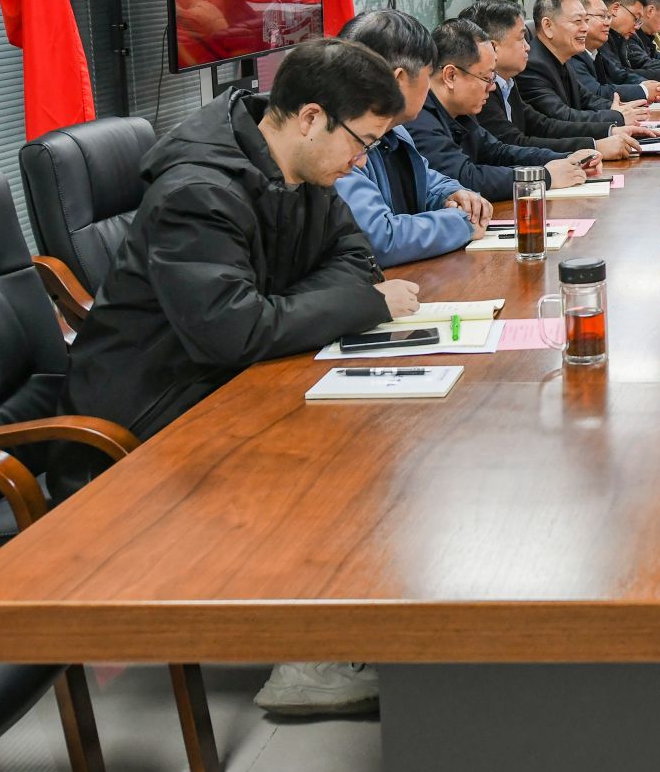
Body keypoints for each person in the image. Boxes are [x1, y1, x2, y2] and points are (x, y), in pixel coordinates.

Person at [62, 38, 420, 719]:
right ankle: (305, 657)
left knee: (378, 418)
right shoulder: (198, 191)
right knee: (332, 445)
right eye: (363, 142)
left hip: (221, 374)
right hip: (149, 403)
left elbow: (355, 258)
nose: (362, 162)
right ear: (311, 118)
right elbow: (233, 329)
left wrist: (291, 307)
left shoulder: (303, 171)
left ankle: (350, 614)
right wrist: (350, 305)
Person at [334, 9, 490, 266]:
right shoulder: (340, 140)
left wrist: (453, 194)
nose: (430, 88)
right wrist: (461, 222)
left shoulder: (396, 130)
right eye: (428, 76)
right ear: (399, 80)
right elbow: (379, 239)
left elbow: (426, 181)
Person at [407, 18, 592, 200]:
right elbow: (465, 178)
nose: (492, 86)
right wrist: (543, 176)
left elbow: (497, 152)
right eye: (487, 78)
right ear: (451, 76)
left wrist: (565, 159)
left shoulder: (461, 111)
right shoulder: (419, 119)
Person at [458, 0, 639, 159]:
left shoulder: (506, 82)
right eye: (521, 39)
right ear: (492, 47)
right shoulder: (481, 89)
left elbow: (543, 125)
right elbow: (513, 144)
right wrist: (594, 146)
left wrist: (609, 130)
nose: (527, 47)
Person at [571, 0, 660, 107]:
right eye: (602, 16)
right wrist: (643, 91)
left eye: (608, 17)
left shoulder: (597, 49)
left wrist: (645, 84)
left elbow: (618, 75)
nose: (608, 23)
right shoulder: (571, 54)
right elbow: (595, 93)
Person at [604, 0, 660, 84]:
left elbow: (623, 73)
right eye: (636, 18)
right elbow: (618, 76)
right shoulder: (599, 38)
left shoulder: (618, 37)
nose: (637, 26)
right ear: (615, 9)